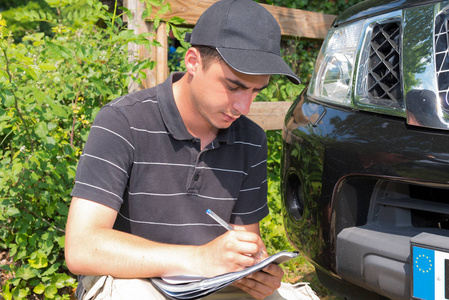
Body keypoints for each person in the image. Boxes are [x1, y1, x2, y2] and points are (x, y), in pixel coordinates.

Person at [64, 0, 303, 299]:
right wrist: (200, 258)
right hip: (133, 280)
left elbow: (242, 240)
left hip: (211, 283)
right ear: (193, 61)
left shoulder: (251, 139)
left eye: (256, 91)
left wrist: (254, 269)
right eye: (233, 86)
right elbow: (82, 247)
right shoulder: (123, 121)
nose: (244, 107)